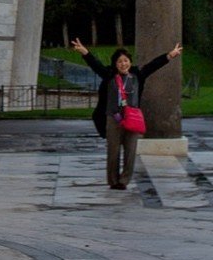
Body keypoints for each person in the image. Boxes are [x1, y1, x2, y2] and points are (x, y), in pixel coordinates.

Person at [70, 39, 182, 190]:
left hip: (132, 119)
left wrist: (170, 55)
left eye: (126, 61)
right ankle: (113, 180)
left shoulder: (137, 76)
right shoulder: (109, 76)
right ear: (115, 64)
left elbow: (153, 66)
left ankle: (124, 180)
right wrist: (84, 52)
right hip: (114, 119)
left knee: (130, 151)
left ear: (130, 62)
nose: (123, 64)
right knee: (113, 151)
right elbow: (95, 65)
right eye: (120, 62)